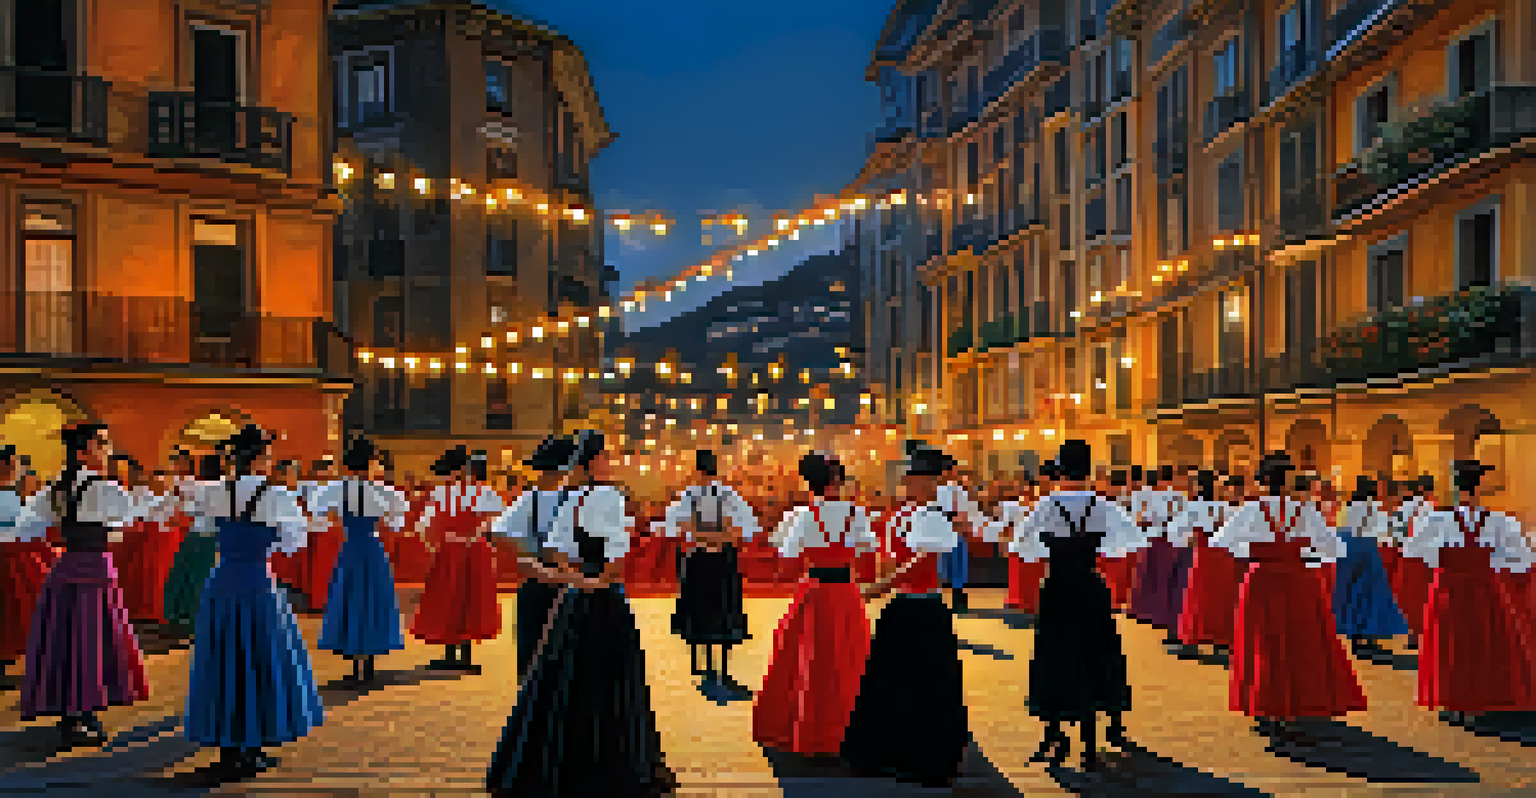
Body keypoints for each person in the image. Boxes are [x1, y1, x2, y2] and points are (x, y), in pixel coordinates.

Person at [486, 430, 675, 797]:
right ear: (591, 463)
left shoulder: (566, 498)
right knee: (606, 681)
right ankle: (608, 764)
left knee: (558, 681)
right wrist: (598, 580)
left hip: (569, 597)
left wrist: (567, 576)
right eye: (604, 457)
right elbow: (618, 556)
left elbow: (552, 549)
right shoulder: (607, 497)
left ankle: (554, 761)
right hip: (600, 599)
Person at [9, 423, 163, 747]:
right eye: (101, 444)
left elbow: (26, 528)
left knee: (66, 639)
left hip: (65, 568)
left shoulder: (56, 487)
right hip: (94, 568)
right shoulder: (105, 488)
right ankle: (85, 713)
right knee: (93, 640)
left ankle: (70, 713)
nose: (108, 451)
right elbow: (129, 521)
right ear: (83, 452)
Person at [181, 425, 323, 774]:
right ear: (260, 459)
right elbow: (295, 541)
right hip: (258, 582)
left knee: (223, 662)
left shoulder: (213, 491)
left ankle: (228, 747)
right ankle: (252, 745)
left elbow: (201, 529)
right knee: (260, 661)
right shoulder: (276, 495)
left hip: (222, 581)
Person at [1210, 452, 1364, 743]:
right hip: (1298, 581)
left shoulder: (1250, 510)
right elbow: (1335, 549)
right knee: (1297, 643)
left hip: (1261, 581)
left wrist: (1253, 553)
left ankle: (1267, 708)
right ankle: (1295, 705)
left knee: (1263, 643)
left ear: (1263, 480)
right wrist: (1305, 555)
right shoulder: (1305, 511)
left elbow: (1221, 542)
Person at [1011, 440, 1142, 771]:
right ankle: (1092, 740)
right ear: (1087, 472)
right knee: (1097, 654)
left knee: (1055, 656)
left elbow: (1020, 546)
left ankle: (1054, 733)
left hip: (1058, 588)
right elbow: (1129, 542)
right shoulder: (1104, 505)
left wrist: (1050, 550)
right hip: (1091, 587)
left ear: (1059, 472)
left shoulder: (1045, 506)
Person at [842, 444, 968, 787]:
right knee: (919, 683)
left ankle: (892, 751)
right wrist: (885, 582)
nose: (914, 486)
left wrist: (881, 585)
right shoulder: (916, 515)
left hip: (909, 604)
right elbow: (906, 560)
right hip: (919, 606)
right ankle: (915, 752)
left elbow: (918, 561)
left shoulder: (916, 515)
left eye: (917, 481)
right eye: (913, 481)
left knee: (898, 681)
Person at [753, 452, 877, 756]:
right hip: (846, 592)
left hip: (815, 591)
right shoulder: (857, 514)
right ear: (838, 480)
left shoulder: (802, 515)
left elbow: (785, 561)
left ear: (809, 481)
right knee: (850, 658)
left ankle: (810, 729)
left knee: (810, 660)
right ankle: (852, 728)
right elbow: (869, 557)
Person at [1406, 460, 1536, 725]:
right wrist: (1489, 561)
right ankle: (1480, 699)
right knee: (1483, 641)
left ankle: (1454, 700)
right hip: (1484, 587)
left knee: (1449, 642)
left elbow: (1412, 550)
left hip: (1448, 587)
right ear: (1481, 488)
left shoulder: (1436, 518)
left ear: (1456, 487)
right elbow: (1520, 558)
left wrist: (1442, 558)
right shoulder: (1500, 521)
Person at [658, 449, 759, 699]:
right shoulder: (728, 494)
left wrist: (699, 536)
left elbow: (673, 528)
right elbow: (747, 529)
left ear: (697, 470)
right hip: (723, 557)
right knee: (724, 609)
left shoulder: (689, 495)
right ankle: (722, 668)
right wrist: (721, 537)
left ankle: (700, 664)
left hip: (697, 558)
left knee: (698, 608)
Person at [309, 434, 408, 685]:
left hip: (350, 547)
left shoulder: (334, 490)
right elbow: (396, 523)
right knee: (373, 599)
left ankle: (354, 663)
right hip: (373, 548)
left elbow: (319, 516)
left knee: (350, 598)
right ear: (371, 463)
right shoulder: (385, 492)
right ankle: (371, 663)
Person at [482, 435, 579, 676]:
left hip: (539, 580)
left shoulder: (530, 499)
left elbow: (497, 535)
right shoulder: (580, 498)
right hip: (576, 580)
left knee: (534, 655)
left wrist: (532, 558)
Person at [411, 445, 505, 673]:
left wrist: (432, 543)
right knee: (471, 600)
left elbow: (424, 524)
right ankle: (464, 656)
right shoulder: (484, 491)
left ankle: (453, 654)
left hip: (452, 548)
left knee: (450, 598)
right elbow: (498, 521)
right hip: (475, 548)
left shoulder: (442, 493)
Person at [1333, 476, 1408, 658]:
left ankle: (1352, 635)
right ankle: (1365, 637)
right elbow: (1383, 531)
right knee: (1367, 595)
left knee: (1349, 594)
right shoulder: (1371, 507)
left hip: (1346, 550)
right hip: (1365, 550)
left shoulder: (1348, 506)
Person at [1170, 470, 1238, 659]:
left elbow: (1177, 531)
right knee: (1222, 598)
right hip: (1224, 556)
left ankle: (1191, 641)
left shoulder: (1194, 507)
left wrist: (1189, 541)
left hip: (1204, 555)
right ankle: (1222, 644)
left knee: (1196, 597)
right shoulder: (1226, 507)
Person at [162, 451, 224, 635]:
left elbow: (187, 508)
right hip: (211, 536)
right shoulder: (223, 487)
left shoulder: (195, 486)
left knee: (185, 575)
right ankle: (197, 619)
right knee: (201, 578)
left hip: (195, 533)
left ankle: (178, 616)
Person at [1127, 466, 1189, 646]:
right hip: (1161, 537)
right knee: (1158, 575)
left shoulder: (1171, 495)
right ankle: (1154, 612)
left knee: (1155, 575)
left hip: (1160, 536)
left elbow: (1143, 517)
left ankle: (1150, 611)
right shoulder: (1176, 496)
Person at [936, 461, 986, 614]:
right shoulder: (940, 491)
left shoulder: (960, 491)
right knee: (947, 566)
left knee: (956, 566)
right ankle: (949, 598)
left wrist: (964, 523)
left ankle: (958, 598)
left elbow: (966, 510)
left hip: (955, 531)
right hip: (945, 530)